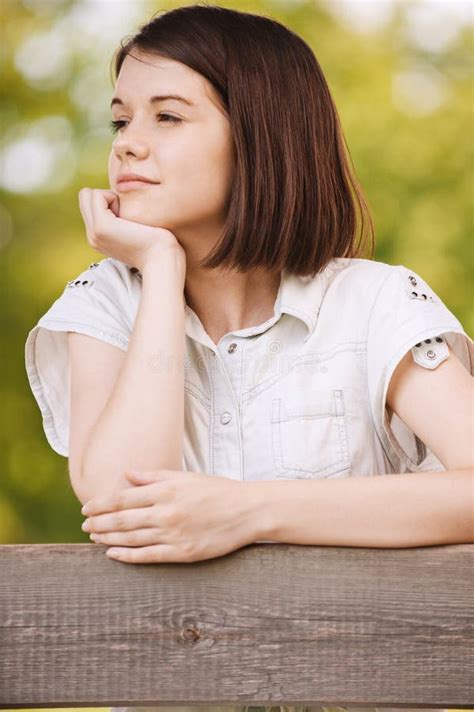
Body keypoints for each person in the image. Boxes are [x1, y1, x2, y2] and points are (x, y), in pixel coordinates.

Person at [24, 5, 472, 712]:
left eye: (166, 117)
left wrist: (250, 511)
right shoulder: (104, 302)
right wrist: (161, 270)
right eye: (121, 119)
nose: (128, 145)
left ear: (262, 138)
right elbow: (118, 502)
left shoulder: (376, 303)